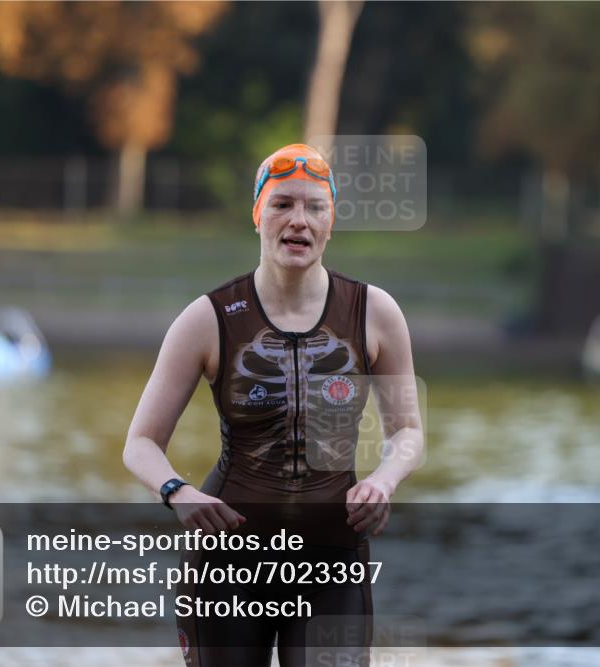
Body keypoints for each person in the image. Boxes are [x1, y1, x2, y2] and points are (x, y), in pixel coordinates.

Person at [123, 143, 425, 666]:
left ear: (332, 221)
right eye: (283, 203)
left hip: (333, 564)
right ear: (257, 213)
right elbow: (141, 442)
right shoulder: (207, 318)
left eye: (315, 207)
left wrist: (384, 479)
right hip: (227, 566)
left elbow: (408, 433)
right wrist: (178, 492)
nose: (298, 221)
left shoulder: (375, 312)